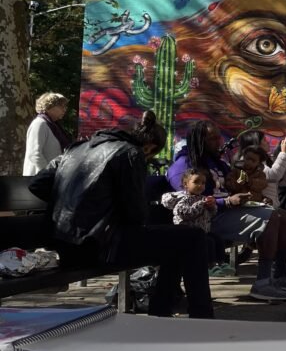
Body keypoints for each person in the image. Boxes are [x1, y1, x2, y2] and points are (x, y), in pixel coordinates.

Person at [32, 112, 214, 318]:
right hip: (99, 246)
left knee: (177, 241)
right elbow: (136, 214)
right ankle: (200, 316)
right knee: (193, 237)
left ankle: (161, 313)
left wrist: (73, 199)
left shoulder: (76, 148)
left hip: (65, 246)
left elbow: (37, 184)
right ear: (149, 147)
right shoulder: (131, 153)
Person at [166, 121, 286, 302]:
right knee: (271, 217)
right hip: (206, 219)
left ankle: (280, 274)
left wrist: (251, 195)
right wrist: (226, 201)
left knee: (281, 215)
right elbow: (188, 200)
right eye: (213, 138)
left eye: (218, 137)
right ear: (199, 140)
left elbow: (235, 183)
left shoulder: (217, 162)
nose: (218, 142)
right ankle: (262, 283)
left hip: (227, 211)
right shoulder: (184, 165)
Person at [160, 168, 232, 277]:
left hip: (202, 231)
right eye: (196, 182)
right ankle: (210, 266)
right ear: (186, 184)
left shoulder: (202, 198)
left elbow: (211, 214)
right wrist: (200, 205)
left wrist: (211, 207)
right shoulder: (184, 199)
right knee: (208, 242)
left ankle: (222, 263)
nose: (200, 185)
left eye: (203, 183)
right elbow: (184, 213)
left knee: (218, 239)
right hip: (187, 232)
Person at [23, 92, 71, 175]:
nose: (64, 109)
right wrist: (48, 173)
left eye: (65, 106)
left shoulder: (54, 125)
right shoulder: (39, 124)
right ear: (48, 107)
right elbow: (34, 154)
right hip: (39, 177)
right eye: (61, 106)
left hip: (51, 177)